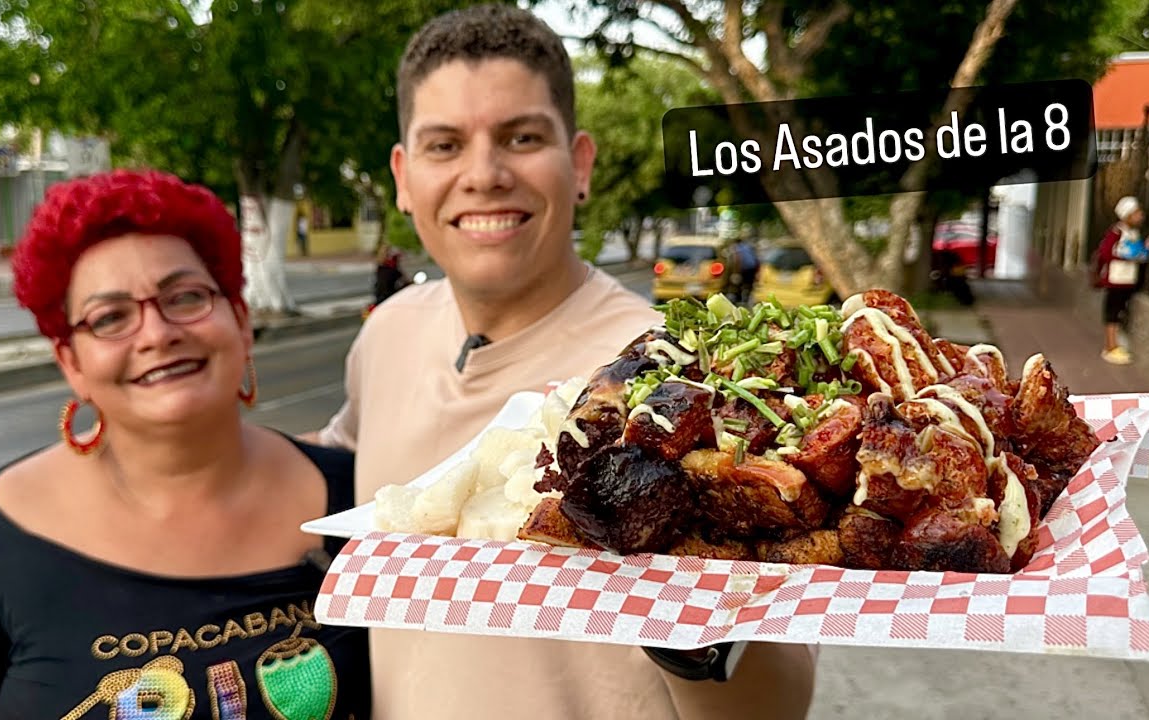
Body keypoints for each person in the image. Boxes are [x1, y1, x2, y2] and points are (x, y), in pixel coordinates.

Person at [312, 5, 816, 720]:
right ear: (403, 176)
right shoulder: (385, 334)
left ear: (578, 164)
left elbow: (779, 704)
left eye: (520, 137)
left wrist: (699, 628)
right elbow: (333, 462)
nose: (482, 174)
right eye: (444, 145)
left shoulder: (683, 374)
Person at [0, 170, 370, 719]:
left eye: (186, 297)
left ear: (242, 322)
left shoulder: (357, 503)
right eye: (110, 318)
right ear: (72, 363)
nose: (156, 333)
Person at [1094, 195, 1149, 365]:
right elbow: (1105, 252)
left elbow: (1140, 254)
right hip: (1116, 279)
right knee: (1112, 312)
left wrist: (1145, 249)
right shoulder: (1117, 231)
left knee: (1119, 311)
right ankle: (1110, 346)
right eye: (1137, 213)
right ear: (1127, 215)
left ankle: (1116, 344)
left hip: (1128, 279)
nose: (1140, 216)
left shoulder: (1133, 233)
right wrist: (1125, 255)